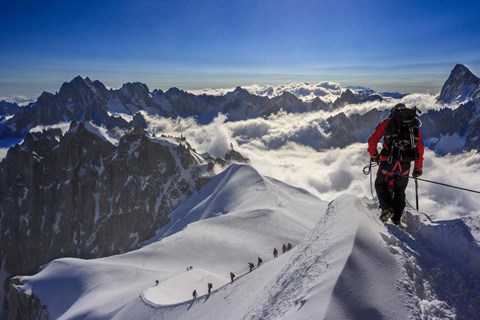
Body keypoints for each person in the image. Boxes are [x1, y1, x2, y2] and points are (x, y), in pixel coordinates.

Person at [368, 103, 424, 225]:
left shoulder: (388, 122)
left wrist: (374, 155)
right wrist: (418, 168)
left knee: (380, 184)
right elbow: (419, 148)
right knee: (400, 190)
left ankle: (387, 208)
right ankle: (397, 218)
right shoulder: (412, 126)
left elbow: (372, 140)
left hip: (388, 161)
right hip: (405, 164)